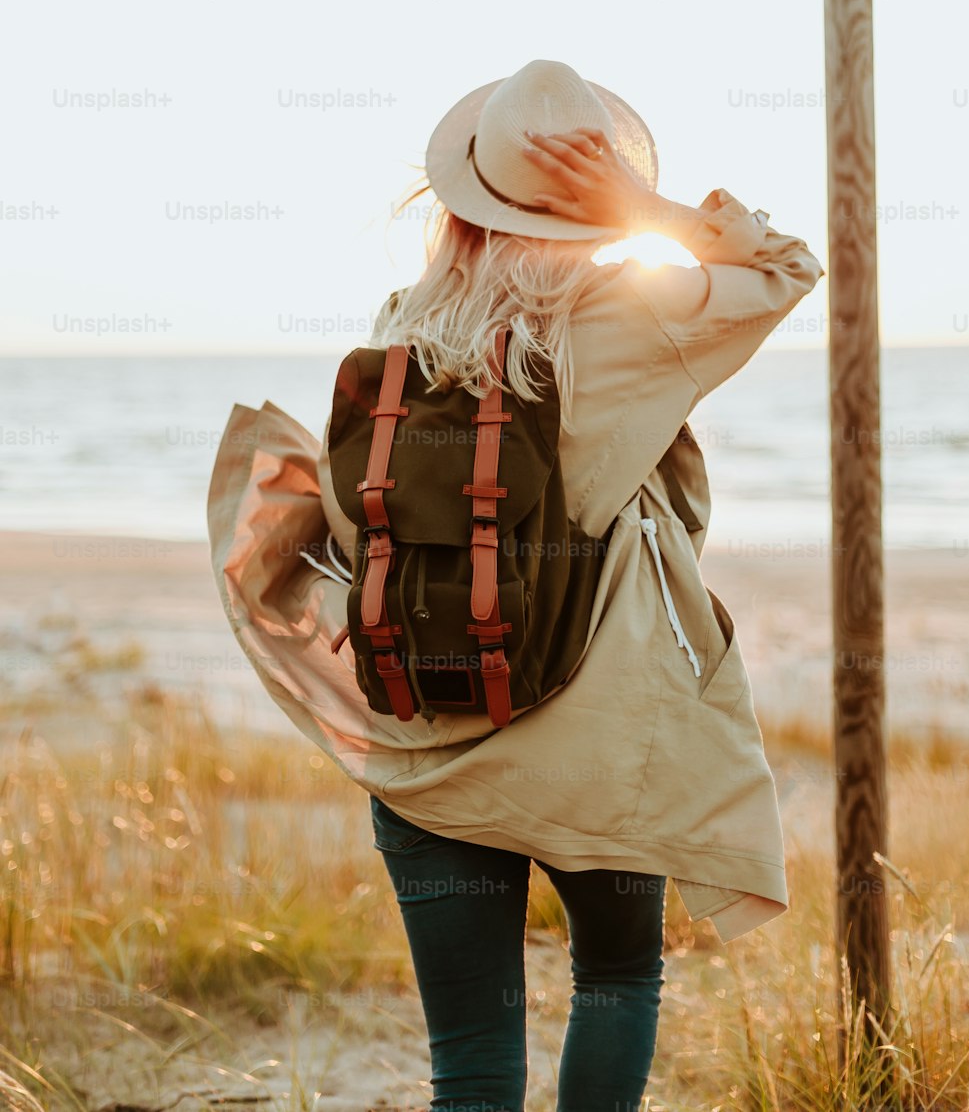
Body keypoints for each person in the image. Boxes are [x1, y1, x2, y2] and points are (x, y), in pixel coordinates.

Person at [206, 59, 826, 1112]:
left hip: (424, 760)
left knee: (474, 1068)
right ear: (597, 200)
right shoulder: (632, 321)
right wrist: (652, 213)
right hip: (601, 758)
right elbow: (785, 268)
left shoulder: (399, 333)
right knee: (618, 981)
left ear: (458, 205)